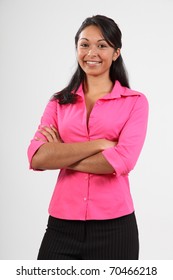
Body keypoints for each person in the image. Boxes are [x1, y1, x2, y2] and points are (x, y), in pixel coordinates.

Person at [27, 15, 149, 260]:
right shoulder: (59, 101)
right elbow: (37, 157)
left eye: (102, 45)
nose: (91, 52)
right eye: (84, 44)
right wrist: (100, 145)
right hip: (62, 225)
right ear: (77, 49)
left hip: (115, 227)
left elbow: (123, 161)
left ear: (116, 52)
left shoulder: (135, 102)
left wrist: (61, 154)